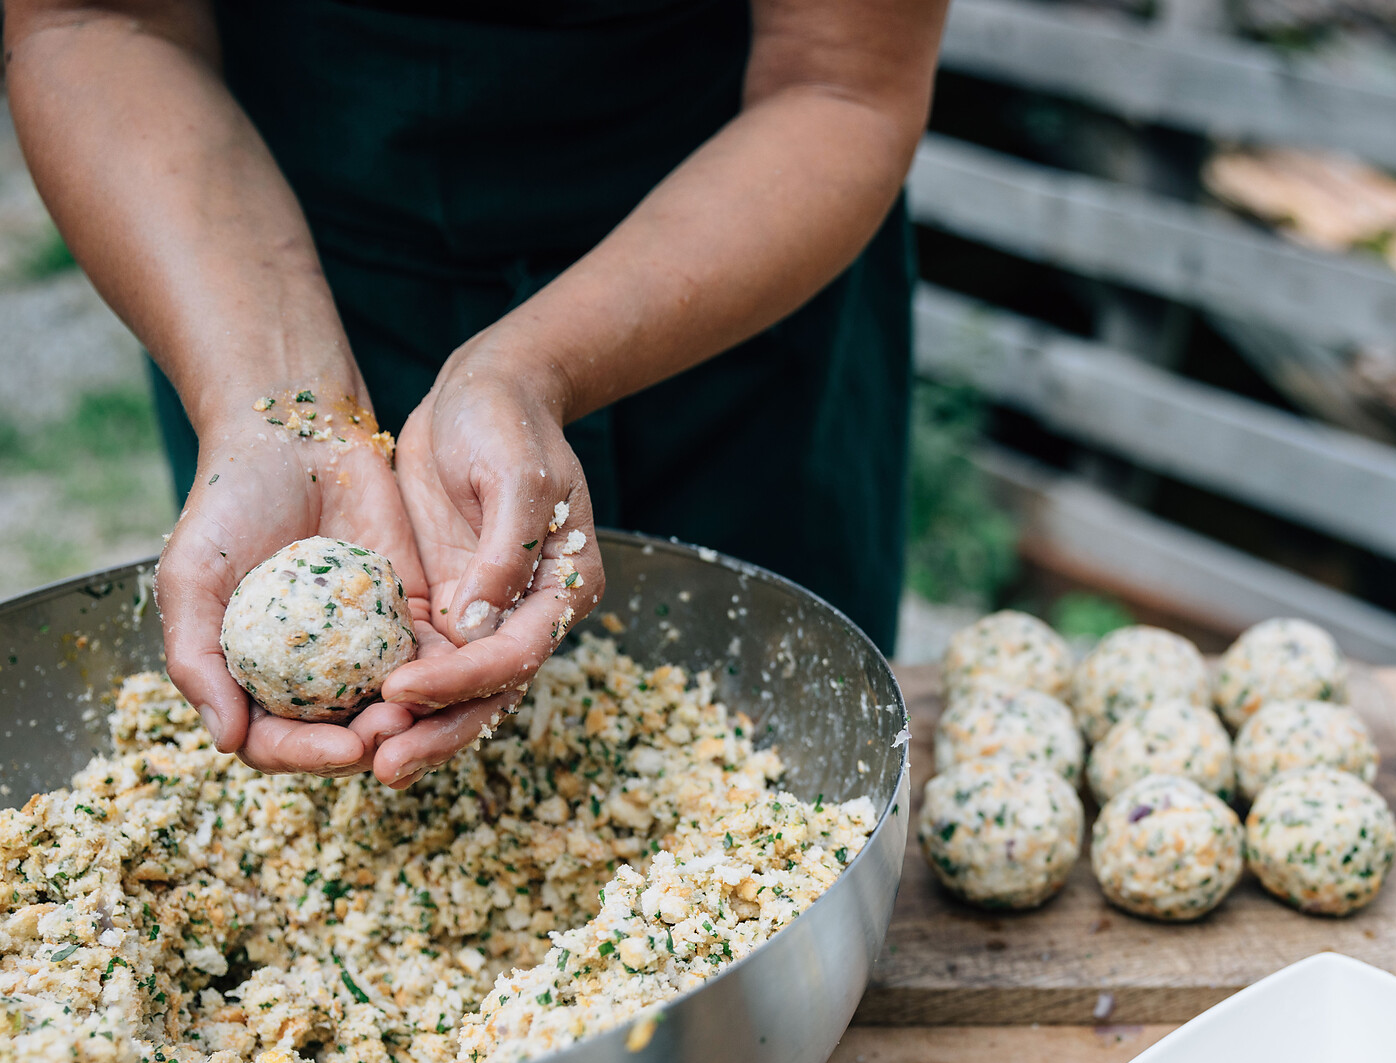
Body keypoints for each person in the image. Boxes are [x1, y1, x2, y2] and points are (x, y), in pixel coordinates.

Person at [4, 0, 945, 786]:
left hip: (731, 256)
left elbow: (840, 84)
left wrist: (529, 368)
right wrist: (278, 402)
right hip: (249, 248)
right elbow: (95, 20)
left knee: (762, 758)